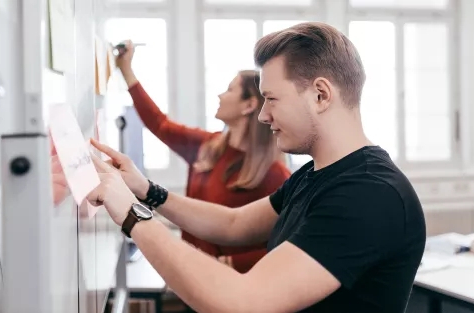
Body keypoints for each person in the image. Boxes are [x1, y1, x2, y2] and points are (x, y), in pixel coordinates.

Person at [88, 22, 426, 313]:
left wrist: (132, 215)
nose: (263, 116)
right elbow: (234, 224)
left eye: (272, 98)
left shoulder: (368, 194)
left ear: (321, 95)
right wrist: (146, 191)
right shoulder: (316, 175)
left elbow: (243, 302)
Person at [115, 41, 291, 274]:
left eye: (229, 90)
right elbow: (159, 123)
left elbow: (288, 245)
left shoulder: (274, 174)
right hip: (191, 275)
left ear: (248, 105)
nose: (220, 95)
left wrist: (228, 264)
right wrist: (127, 71)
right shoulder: (207, 146)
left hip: (231, 288)